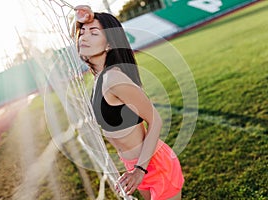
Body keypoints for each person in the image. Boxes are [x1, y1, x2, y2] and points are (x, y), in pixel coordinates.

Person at [72, 5, 184, 200]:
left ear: (109, 45)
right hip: (133, 164)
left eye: (94, 32)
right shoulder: (98, 77)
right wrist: (80, 17)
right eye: (82, 33)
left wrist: (140, 169)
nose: (84, 37)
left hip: (153, 165)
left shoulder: (114, 79)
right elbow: (74, 32)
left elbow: (156, 120)